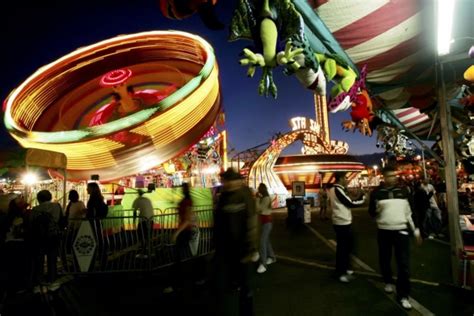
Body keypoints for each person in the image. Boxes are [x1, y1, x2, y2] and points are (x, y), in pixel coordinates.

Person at [368, 167, 422, 310]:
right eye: (389, 176)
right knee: (385, 258)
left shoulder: (405, 191)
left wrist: (416, 231)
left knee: (403, 264)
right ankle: (388, 281)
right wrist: (377, 210)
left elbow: (410, 212)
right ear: (383, 177)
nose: (392, 178)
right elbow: (371, 213)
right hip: (383, 231)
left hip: (401, 231)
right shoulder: (377, 193)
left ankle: (403, 295)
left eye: (394, 175)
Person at [214, 168, 258, 316]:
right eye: (224, 181)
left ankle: (246, 311)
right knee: (228, 280)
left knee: (246, 285)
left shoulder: (245, 194)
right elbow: (219, 221)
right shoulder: (224, 196)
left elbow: (252, 221)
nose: (225, 183)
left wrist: (250, 247)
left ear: (237, 181)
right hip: (227, 247)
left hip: (242, 246)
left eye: (227, 181)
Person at [328, 172, 365, 283]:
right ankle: (341, 272)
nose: (347, 180)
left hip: (341, 221)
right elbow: (350, 203)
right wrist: (363, 198)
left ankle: (345, 268)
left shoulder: (334, 189)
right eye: (345, 178)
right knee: (343, 248)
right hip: (342, 222)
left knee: (347, 246)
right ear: (340, 179)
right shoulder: (337, 190)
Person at [29, 190, 63, 293]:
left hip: (39, 237)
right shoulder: (56, 206)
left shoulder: (35, 209)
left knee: (39, 259)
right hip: (53, 236)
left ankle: (40, 279)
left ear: (39, 199)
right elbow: (61, 220)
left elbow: (31, 223)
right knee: (52, 259)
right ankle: (52, 279)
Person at [256, 183, 276, 274]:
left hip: (266, 223)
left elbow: (259, 209)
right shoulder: (265, 198)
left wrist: (256, 199)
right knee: (266, 241)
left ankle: (263, 264)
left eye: (259, 189)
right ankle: (272, 257)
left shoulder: (266, 198)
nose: (258, 190)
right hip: (265, 222)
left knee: (262, 242)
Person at [132, 189, 154, 259]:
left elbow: (134, 211)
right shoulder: (147, 199)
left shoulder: (138, 200)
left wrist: (134, 220)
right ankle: (150, 252)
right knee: (148, 236)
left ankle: (143, 253)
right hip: (151, 219)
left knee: (142, 236)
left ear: (138, 194)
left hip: (144, 220)